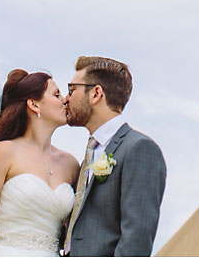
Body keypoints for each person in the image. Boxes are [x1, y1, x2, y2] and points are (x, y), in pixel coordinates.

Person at [0, 70, 80, 257]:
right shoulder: (3, 152)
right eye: (56, 95)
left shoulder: (70, 164)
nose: (65, 100)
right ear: (33, 104)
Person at [62, 56, 166, 257]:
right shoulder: (89, 156)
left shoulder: (139, 148)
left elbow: (137, 237)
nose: (66, 99)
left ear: (96, 94)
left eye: (72, 90)